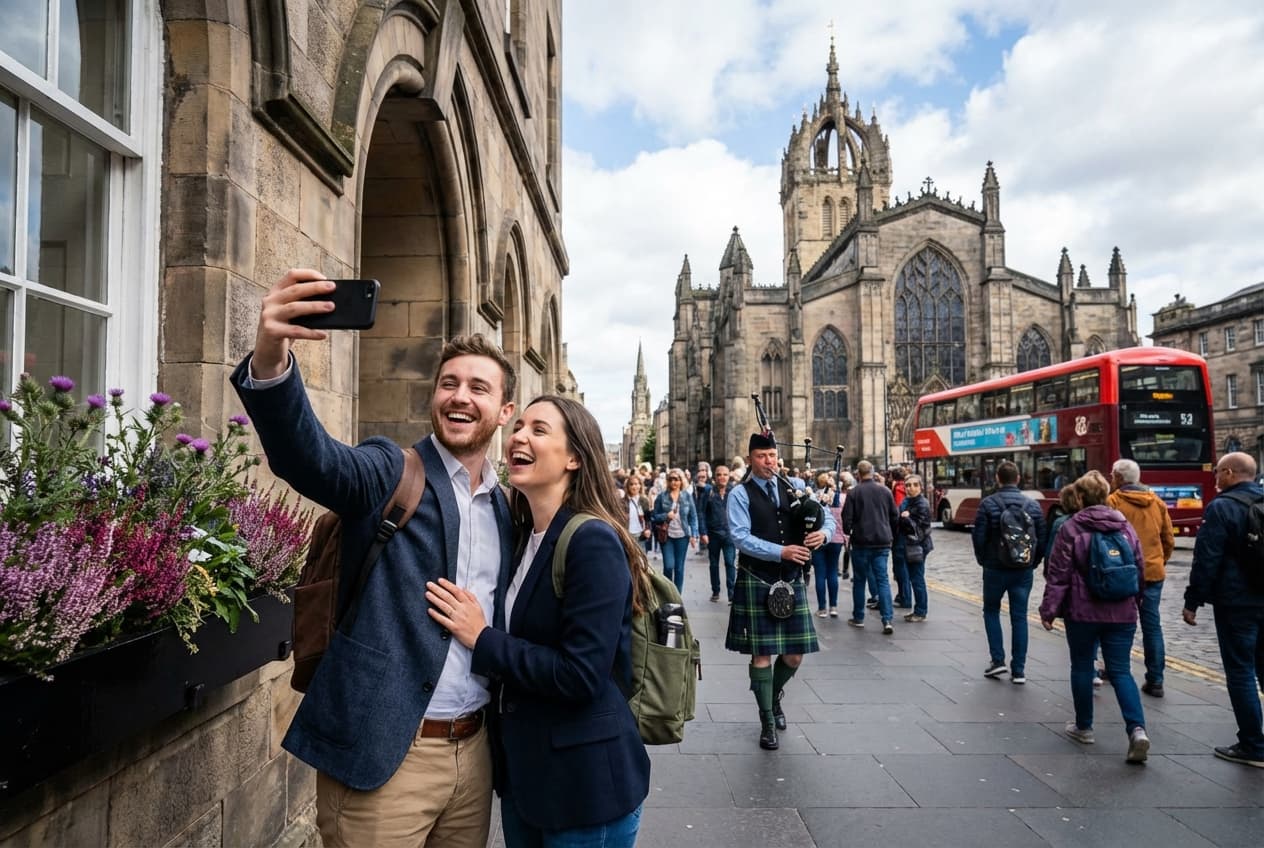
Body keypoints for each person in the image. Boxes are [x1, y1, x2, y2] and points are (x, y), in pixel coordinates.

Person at [232, 269, 515, 847]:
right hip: (385, 755)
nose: (460, 396)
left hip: (475, 756)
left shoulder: (508, 509)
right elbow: (311, 460)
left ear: (504, 412)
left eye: (479, 388)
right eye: (449, 383)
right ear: (433, 395)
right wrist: (271, 355)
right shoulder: (392, 470)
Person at [427, 395, 651, 846]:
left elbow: (582, 674)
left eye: (539, 430)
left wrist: (482, 638)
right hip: (529, 782)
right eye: (519, 426)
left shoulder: (592, 540)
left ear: (574, 458)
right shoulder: (523, 534)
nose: (519, 437)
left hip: (584, 789)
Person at [725, 432, 832, 750]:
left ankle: (773, 695)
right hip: (757, 578)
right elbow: (740, 537)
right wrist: (781, 551)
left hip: (791, 579)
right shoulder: (740, 495)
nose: (768, 461)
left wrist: (822, 536)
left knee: (795, 656)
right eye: (761, 456)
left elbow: (827, 522)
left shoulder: (796, 489)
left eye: (772, 455)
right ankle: (767, 721)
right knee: (762, 655)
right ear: (750, 460)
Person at [1039, 471, 1150, 764]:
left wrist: (1049, 610)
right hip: (1122, 610)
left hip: (1083, 612)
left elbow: (1058, 575)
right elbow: (1139, 568)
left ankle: (1084, 727)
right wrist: (1136, 601)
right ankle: (1137, 730)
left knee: (1082, 667)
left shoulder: (1072, 528)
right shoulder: (1124, 525)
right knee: (1121, 671)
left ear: (1080, 497)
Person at [1182, 452, 1264, 768]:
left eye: (1217, 471)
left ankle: (1254, 745)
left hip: (1237, 601)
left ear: (1229, 473)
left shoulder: (1222, 507)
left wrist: (1192, 601)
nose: (1215, 477)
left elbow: (1207, 559)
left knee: (1241, 670)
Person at [972, 459, 1047, 683]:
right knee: (1019, 617)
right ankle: (1019, 670)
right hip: (1022, 570)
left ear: (997, 478)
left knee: (992, 611)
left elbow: (979, 537)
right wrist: (1033, 562)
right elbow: (1042, 538)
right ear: (1018, 478)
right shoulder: (1032, 506)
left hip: (995, 568)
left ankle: (997, 661)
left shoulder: (988, 504)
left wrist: (983, 560)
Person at [1108, 458, 1175, 698]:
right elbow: (1168, 539)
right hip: (1152, 573)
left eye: (1112, 475)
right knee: (1151, 625)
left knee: (1117, 622)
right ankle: (1155, 679)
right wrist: (1158, 561)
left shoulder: (1113, 502)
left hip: (1122, 572)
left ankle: (1114, 668)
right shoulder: (1156, 502)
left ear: (1117, 477)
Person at [842, 460, 899, 634]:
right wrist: (889, 532)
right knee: (882, 580)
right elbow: (894, 516)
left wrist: (851, 531)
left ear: (858, 474)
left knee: (859, 580)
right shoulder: (885, 490)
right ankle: (887, 619)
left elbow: (846, 520)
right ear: (873, 472)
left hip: (861, 542)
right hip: (882, 541)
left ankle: (859, 617)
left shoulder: (854, 493)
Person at [652, 469, 699, 592]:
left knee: (679, 568)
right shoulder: (662, 497)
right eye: (671, 479)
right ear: (667, 481)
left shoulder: (687, 496)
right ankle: (668, 593)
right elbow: (654, 516)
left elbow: (693, 517)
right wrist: (665, 516)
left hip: (682, 536)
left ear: (681, 481)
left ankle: (677, 597)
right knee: (668, 566)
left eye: (676, 479)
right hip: (666, 536)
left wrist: (694, 535)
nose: (673, 482)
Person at [699, 465, 737, 603]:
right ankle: (716, 590)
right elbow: (701, 513)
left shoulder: (733, 492)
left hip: (729, 534)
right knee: (714, 564)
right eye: (719, 474)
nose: (722, 477)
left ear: (729, 476)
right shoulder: (708, 492)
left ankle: (732, 593)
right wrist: (703, 532)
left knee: (730, 563)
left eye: (725, 475)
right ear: (715, 477)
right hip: (713, 534)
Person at [898, 474, 934, 622]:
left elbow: (920, 528)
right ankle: (918, 609)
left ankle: (920, 611)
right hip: (908, 545)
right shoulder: (907, 501)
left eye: (914, 485)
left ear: (920, 487)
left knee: (917, 578)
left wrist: (906, 517)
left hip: (917, 547)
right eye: (908, 485)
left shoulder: (922, 504)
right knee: (913, 577)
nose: (910, 488)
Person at [811, 471, 844, 617]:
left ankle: (822, 608)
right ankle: (833, 606)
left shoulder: (813, 497)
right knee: (832, 572)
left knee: (820, 573)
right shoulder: (839, 498)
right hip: (836, 539)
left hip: (818, 538)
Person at [621, 474, 653, 555]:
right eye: (631, 484)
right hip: (627, 535)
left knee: (641, 562)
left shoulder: (644, 500)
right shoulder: (622, 502)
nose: (634, 487)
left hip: (640, 535)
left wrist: (648, 529)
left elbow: (648, 518)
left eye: (636, 484)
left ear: (640, 485)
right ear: (627, 487)